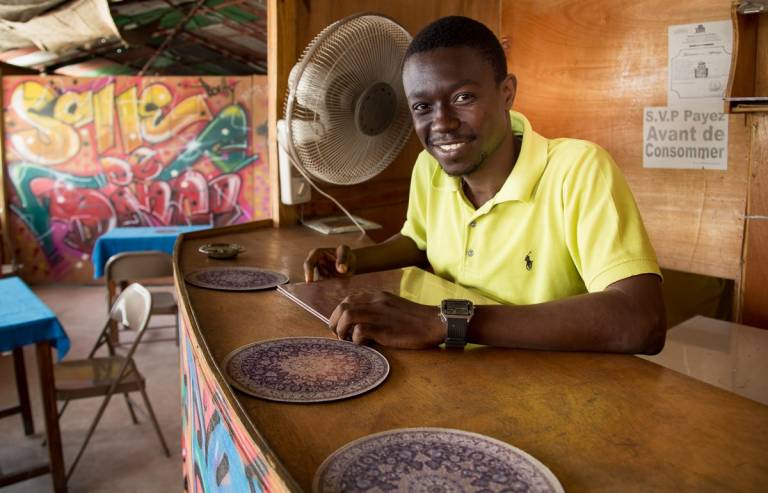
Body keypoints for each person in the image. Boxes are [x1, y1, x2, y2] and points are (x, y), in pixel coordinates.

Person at [304, 16, 666, 354]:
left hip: (558, 387)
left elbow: (641, 320)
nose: (441, 123)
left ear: (507, 92)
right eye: (422, 107)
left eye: (463, 98)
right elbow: (420, 241)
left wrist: (445, 321)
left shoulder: (578, 170)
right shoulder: (430, 169)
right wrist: (355, 261)